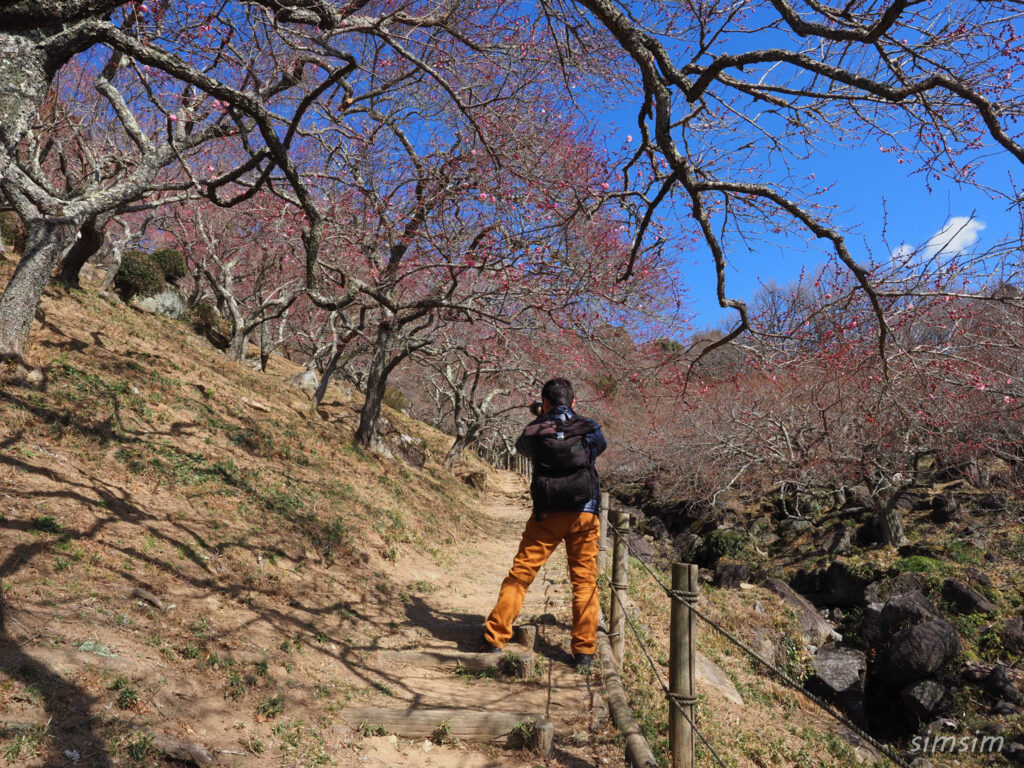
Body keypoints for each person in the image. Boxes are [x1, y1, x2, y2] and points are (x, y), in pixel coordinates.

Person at [479, 377, 607, 672]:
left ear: (545, 402)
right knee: (585, 582)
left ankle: (494, 638)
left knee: (520, 576)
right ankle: (584, 654)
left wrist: (544, 417)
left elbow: (524, 449)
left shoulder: (535, 431)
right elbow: (599, 447)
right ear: (574, 403)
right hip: (584, 514)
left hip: (546, 515)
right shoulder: (589, 428)